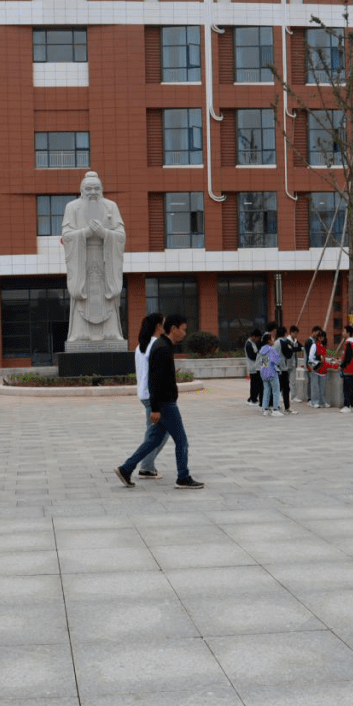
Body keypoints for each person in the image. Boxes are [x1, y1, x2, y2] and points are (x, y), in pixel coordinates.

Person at [115, 314, 204, 490]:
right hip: (165, 403)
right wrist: (155, 408)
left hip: (162, 401)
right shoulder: (162, 348)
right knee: (182, 441)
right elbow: (154, 381)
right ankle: (183, 477)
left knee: (154, 440)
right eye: (184, 329)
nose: (185, 333)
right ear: (174, 329)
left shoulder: (162, 345)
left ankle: (126, 468)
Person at [62, 172, 126, 343]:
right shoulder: (72, 207)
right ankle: (80, 334)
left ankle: (111, 333)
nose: (92, 192)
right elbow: (66, 236)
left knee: (107, 296)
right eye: (88, 188)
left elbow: (121, 236)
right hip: (82, 260)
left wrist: (104, 233)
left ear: (102, 190)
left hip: (106, 260)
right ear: (81, 190)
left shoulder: (111, 206)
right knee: (82, 298)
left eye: (96, 188)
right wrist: (86, 233)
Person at [134, 312, 169, 479]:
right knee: (156, 432)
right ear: (158, 326)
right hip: (154, 395)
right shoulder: (158, 345)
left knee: (157, 431)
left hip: (144, 393)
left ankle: (147, 465)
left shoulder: (141, 346)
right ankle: (146, 467)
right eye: (164, 323)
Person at [274, 326, 298, 414]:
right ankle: (285, 407)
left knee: (278, 389)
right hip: (282, 368)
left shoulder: (275, 342)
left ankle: (275, 406)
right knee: (285, 389)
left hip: (276, 368)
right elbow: (288, 354)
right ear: (284, 333)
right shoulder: (282, 342)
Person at [260, 332, 284, 416]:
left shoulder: (262, 350)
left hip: (264, 372)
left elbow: (264, 362)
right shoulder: (272, 349)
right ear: (269, 341)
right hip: (272, 372)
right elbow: (276, 361)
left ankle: (265, 409)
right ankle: (275, 409)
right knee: (276, 390)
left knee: (266, 390)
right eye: (272, 338)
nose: (273, 340)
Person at [340, 324, 353, 413]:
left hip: (348, 368)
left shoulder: (348, 343)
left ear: (348, 333)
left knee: (347, 388)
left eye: (344, 331)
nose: (342, 333)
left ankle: (347, 406)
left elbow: (348, 356)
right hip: (352, 368)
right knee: (351, 387)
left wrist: (343, 365)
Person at [309, 330, 330, 408]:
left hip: (323, 369)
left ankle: (322, 401)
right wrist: (316, 364)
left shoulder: (324, 346)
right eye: (320, 337)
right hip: (315, 368)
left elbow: (324, 357)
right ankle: (314, 402)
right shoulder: (314, 345)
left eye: (322, 337)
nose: (321, 338)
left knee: (322, 386)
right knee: (315, 386)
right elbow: (310, 357)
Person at [302, 325, 321, 404]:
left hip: (315, 363)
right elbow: (307, 354)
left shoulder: (316, 340)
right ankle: (310, 399)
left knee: (312, 382)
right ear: (313, 332)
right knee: (311, 382)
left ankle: (311, 398)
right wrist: (307, 365)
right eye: (317, 333)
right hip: (310, 364)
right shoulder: (309, 341)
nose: (318, 335)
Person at [244, 329, 263, 406]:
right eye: (257, 337)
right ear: (253, 336)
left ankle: (252, 398)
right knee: (254, 384)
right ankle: (253, 399)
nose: (258, 339)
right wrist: (259, 355)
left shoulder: (253, 343)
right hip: (253, 367)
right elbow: (252, 356)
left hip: (256, 366)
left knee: (256, 384)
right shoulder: (249, 344)